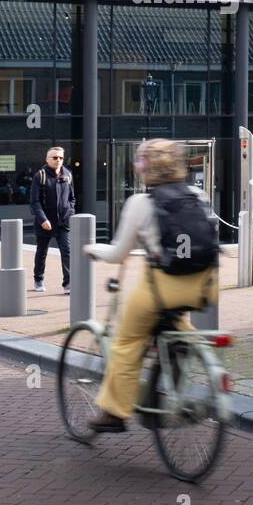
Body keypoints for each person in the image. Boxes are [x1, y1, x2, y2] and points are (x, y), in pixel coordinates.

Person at [82, 139, 219, 434]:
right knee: (180, 332)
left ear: (146, 167)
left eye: (139, 161)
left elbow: (119, 253)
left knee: (126, 343)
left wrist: (93, 248)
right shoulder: (197, 194)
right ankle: (173, 383)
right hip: (201, 285)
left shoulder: (140, 203)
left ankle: (115, 413)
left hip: (160, 289)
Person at [30, 147, 75, 294]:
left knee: (67, 251)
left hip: (63, 222)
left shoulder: (67, 175)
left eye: (61, 158)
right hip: (45, 223)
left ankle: (68, 283)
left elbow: (72, 198)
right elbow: (34, 202)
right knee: (42, 252)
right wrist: (43, 219)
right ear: (47, 159)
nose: (58, 160)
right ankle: (38, 279)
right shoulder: (40, 176)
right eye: (55, 157)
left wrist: (70, 212)